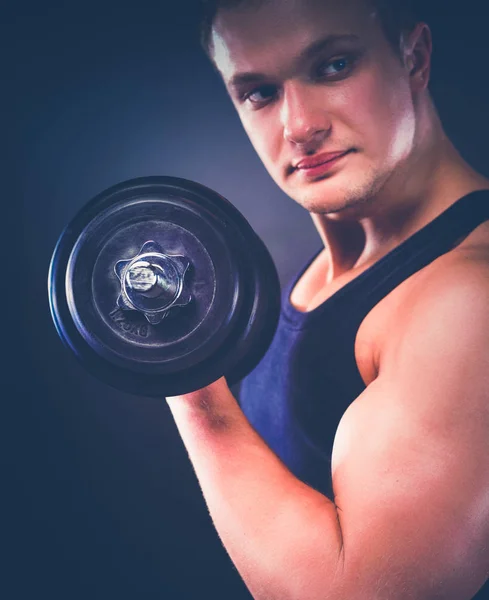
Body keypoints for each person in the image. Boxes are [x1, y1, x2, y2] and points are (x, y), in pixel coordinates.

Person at [166, 1, 489, 598]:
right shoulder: (323, 272)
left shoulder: (467, 301)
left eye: (334, 65)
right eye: (259, 92)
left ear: (413, 58)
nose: (298, 126)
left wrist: (186, 376)